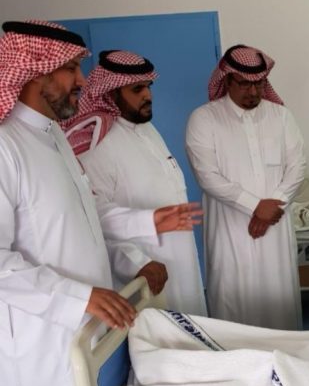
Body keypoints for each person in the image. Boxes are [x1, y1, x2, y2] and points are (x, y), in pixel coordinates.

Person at [0, 19, 180, 386]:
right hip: (39, 341)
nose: (82, 81)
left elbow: (85, 229)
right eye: (71, 69)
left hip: (86, 332)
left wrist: (131, 262)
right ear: (33, 72)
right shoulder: (6, 147)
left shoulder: (53, 139)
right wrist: (77, 296)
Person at [65, 50, 206, 315]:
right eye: (137, 89)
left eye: (148, 86)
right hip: (143, 265)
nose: (148, 95)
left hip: (181, 260)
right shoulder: (96, 143)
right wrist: (149, 221)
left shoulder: (147, 129)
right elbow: (93, 215)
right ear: (111, 93)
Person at [185, 44, 306, 329]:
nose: (253, 92)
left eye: (259, 84)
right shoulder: (204, 118)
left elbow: (297, 167)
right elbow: (207, 176)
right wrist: (255, 206)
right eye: (244, 84)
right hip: (230, 229)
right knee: (234, 302)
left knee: (280, 299)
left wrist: (272, 205)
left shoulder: (281, 116)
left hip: (275, 227)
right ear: (227, 80)